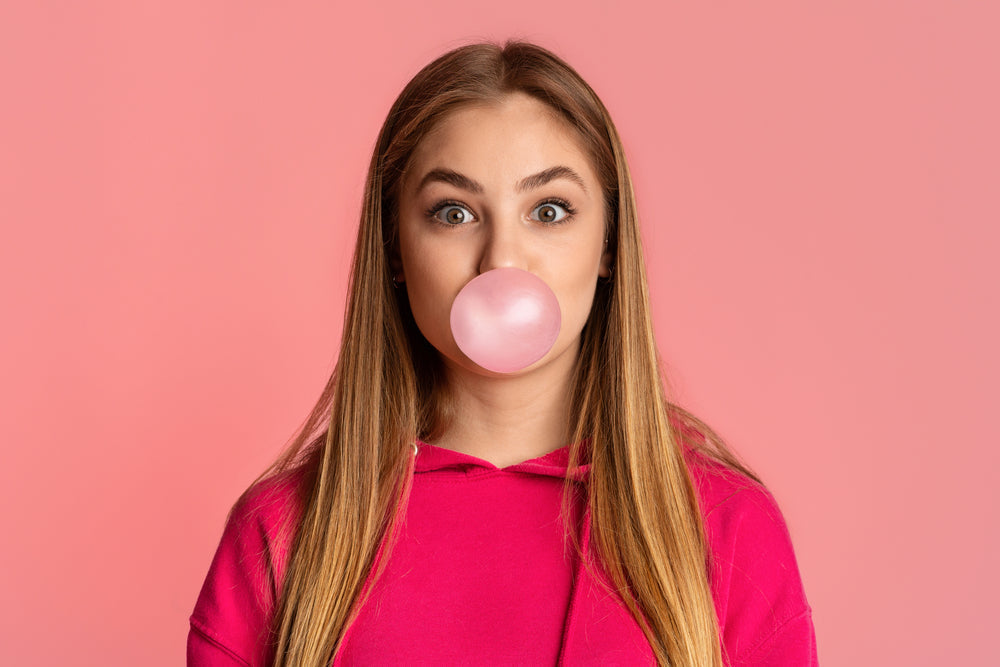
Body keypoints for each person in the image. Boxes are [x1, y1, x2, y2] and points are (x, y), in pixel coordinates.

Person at [187, 40, 818, 666]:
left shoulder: (727, 529)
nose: (502, 260)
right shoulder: (282, 534)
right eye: (454, 213)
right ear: (395, 248)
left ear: (608, 242)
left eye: (549, 210)